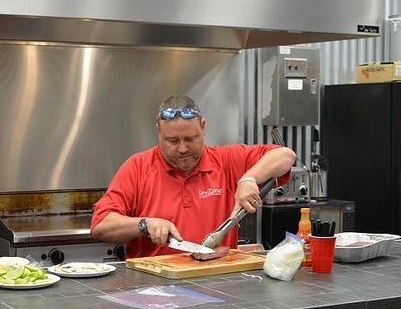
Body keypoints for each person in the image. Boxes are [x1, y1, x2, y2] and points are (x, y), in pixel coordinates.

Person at [91, 95, 296, 258]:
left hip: (220, 285)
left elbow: (286, 156)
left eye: (190, 138)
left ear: (203, 127)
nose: (182, 148)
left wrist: (248, 179)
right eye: (172, 140)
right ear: (158, 132)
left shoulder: (225, 161)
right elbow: (101, 226)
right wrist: (146, 224)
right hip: (154, 290)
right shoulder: (138, 167)